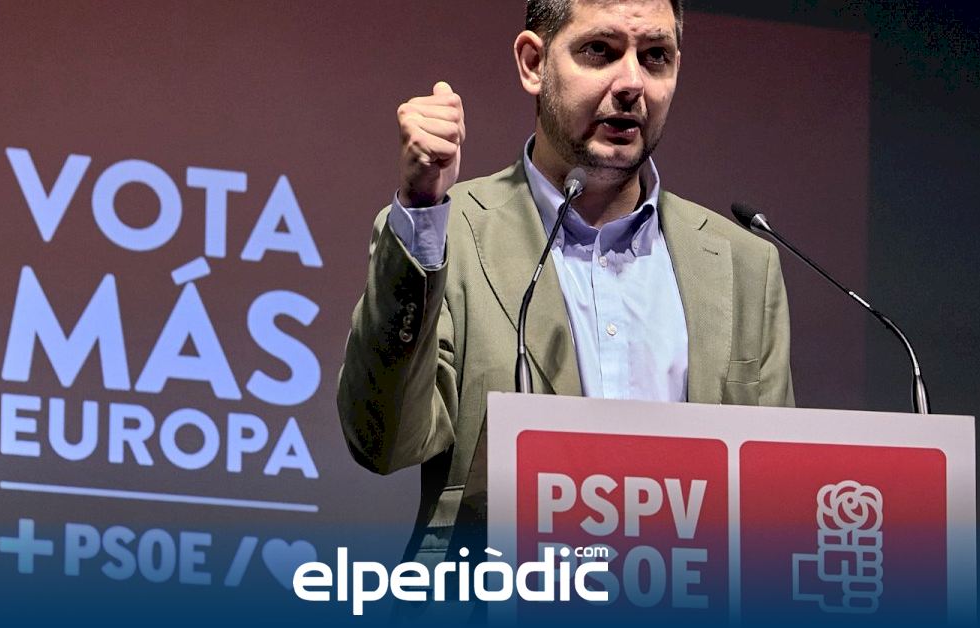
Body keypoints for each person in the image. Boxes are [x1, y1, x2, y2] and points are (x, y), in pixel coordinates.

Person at [338, 0, 794, 570]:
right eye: (600, 51)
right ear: (534, 63)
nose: (631, 83)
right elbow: (382, 443)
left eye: (655, 57)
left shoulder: (743, 265)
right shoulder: (446, 234)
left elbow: (774, 506)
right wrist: (422, 208)